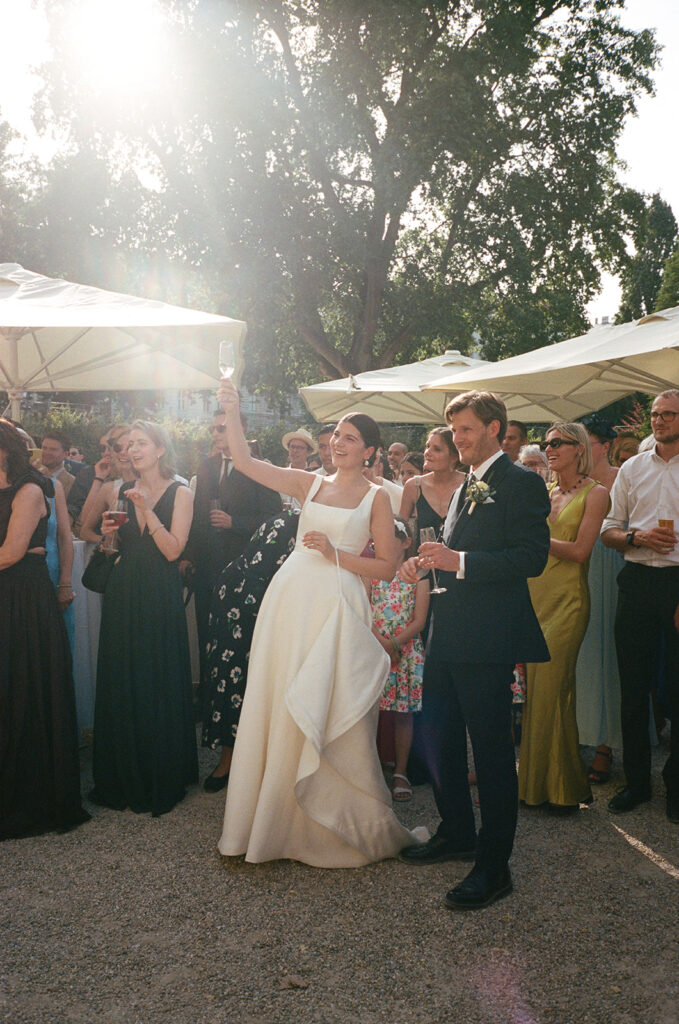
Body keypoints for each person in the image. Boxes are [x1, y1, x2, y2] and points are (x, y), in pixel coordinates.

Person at [217, 381, 423, 865]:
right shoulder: (308, 482)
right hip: (289, 602)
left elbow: (387, 567)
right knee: (282, 694)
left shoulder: (376, 497)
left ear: (370, 450)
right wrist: (232, 410)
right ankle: (273, 819)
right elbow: (246, 462)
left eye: (350, 438)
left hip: (338, 602)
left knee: (326, 700)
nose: (338, 443)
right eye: (336, 436)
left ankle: (330, 820)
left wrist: (337, 555)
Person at [399, 391, 550, 910]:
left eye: (465, 429)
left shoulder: (523, 482)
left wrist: (457, 559)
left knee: (489, 755)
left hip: (488, 639)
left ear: (493, 428)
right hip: (446, 633)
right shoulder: (467, 485)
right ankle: (458, 830)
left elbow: (530, 559)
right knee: (438, 737)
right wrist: (427, 562)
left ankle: (494, 866)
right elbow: (454, 551)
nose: (456, 438)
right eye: (453, 429)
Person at [89, 421, 198, 815]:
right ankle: (123, 773)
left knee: (155, 676)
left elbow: (172, 551)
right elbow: (113, 547)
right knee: (122, 675)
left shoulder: (181, 492)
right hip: (122, 591)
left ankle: (158, 771)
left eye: (140, 443)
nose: (131, 449)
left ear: (160, 449)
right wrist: (107, 535)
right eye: (128, 444)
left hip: (158, 593)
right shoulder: (116, 489)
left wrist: (147, 509)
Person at [0, 419, 89, 839]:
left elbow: (13, 552)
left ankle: (28, 792)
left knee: (23, 685)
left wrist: (66, 582)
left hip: (22, 596)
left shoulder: (32, 488)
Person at [518, 423, 608, 812]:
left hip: (568, 602)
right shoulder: (546, 492)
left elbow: (580, 551)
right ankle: (539, 786)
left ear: (579, 449)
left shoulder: (597, 493)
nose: (549, 449)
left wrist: (535, 537)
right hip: (534, 597)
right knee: (537, 691)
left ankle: (563, 790)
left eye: (557, 443)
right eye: (546, 443)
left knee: (555, 690)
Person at [601, 390, 679, 823]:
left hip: (677, 581)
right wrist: (637, 537)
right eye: (655, 414)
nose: (660, 420)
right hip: (636, 581)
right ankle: (636, 782)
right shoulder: (631, 468)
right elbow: (609, 531)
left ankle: (677, 785)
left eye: (669, 414)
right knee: (633, 688)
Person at [183, 410, 281, 708]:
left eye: (222, 428)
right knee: (206, 634)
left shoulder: (260, 469)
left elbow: (274, 521)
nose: (216, 434)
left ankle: (244, 705)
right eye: (213, 429)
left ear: (242, 429)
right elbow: (197, 517)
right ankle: (209, 701)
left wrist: (234, 522)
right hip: (207, 570)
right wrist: (188, 556)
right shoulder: (206, 466)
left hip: (244, 572)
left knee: (241, 640)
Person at [202, 508, 301, 791]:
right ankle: (228, 760)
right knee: (234, 680)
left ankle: (269, 765)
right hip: (240, 600)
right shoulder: (288, 516)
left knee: (275, 682)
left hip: (288, 604)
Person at [368, 517, 429, 802]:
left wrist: (394, 643)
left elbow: (420, 620)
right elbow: (364, 610)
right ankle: (369, 768)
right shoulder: (371, 573)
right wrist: (381, 643)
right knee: (371, 711)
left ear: (406, 542)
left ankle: (401, 771)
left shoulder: (418, 576)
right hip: (374, 648)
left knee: (403, 714)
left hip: (405, 651)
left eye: (389, 536)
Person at [575, 414, 622, 784]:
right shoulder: (570, 483)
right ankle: (576, 738)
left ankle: (605, 745)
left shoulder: (624, 477)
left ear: (604, 446)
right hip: (577, 569)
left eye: (585, 444)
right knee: (580, 658)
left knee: (608, 656)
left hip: (613, 568)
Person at [399, 427, 466, 537]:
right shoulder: (413, 486)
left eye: (437, 449)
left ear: (454, 457)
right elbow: (401, 530)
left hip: (458, 553)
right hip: (423, 553)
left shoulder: (469, 485)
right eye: (427, 446)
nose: (427, 453)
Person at [68, 424, 129, 534]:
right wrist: (99, 478)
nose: (107, 451)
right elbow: (83, 525)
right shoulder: (91, 476)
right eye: (113, 444)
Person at [79, 429, 136, 543]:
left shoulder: (156, 486)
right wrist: (108, 543)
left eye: (129, 447)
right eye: (117, 448)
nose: (122, 452)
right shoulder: (109, 488)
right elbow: (85, 531)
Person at [38, 429, 75, 502]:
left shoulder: (72, 484)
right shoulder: (32, 476)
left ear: (65, 454)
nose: (46, 453)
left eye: (53, 449)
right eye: (44, 448)